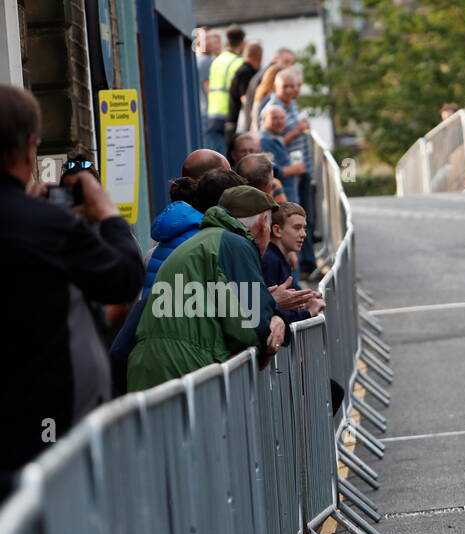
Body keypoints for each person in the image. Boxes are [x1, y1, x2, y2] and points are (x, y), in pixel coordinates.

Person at [0, 84, 145, 495]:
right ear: (30, 147)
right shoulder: (46, 225)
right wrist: (108, 215)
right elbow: (123, 277)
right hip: (46, 423)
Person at [127, 186, 286, 391]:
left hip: (151, 368)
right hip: (189, 370)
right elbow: (250, 327)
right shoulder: (235, 245)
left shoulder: (201, 242)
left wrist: (273, 311)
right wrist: (275, 324)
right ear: (263, 224)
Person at [108, 152, 233, 394]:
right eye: (227, 174)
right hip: (193, 368)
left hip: (154, 369)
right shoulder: (215, 243)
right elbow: (237, 320)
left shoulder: (155, 249)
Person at [261, 69, 316, 274]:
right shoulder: (272, 108)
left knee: (303, 220)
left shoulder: (291, 104)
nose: (291, 90)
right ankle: (295, 269)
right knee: (291, 222)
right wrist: (297, 129)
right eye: (286, 86)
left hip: (300, 172)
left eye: (294, 86)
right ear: (276, 87)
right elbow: (271, 155)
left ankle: (304, 263)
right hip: (286, 180)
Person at [261, 202, 323, 321]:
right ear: (277, 230)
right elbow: (270, 314)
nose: (303, 234)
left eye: (304, 228)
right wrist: (308, 312)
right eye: (297, 228)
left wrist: (304, 298)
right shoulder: (270, 260)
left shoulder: (278, 258)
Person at [205, 27, 246, 153]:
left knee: (215, 153)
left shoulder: (217, 60)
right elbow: (239, 90)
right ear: (242, 43)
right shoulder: (239, 62)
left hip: (213, 111)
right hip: (229, 112)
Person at [259, 104, 305, 203]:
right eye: (274, 118)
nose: (279, 121)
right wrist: (292, 170)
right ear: (264, 120)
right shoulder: (263, 140)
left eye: (282, 118)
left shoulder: (275, 138)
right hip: (279, 199)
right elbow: (268, 169)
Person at [228, 41, 262, 146]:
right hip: (239, 121)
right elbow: (245, 98)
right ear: (258, 56)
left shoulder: (241, 69)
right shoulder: (247, 72)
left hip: (233, 118)